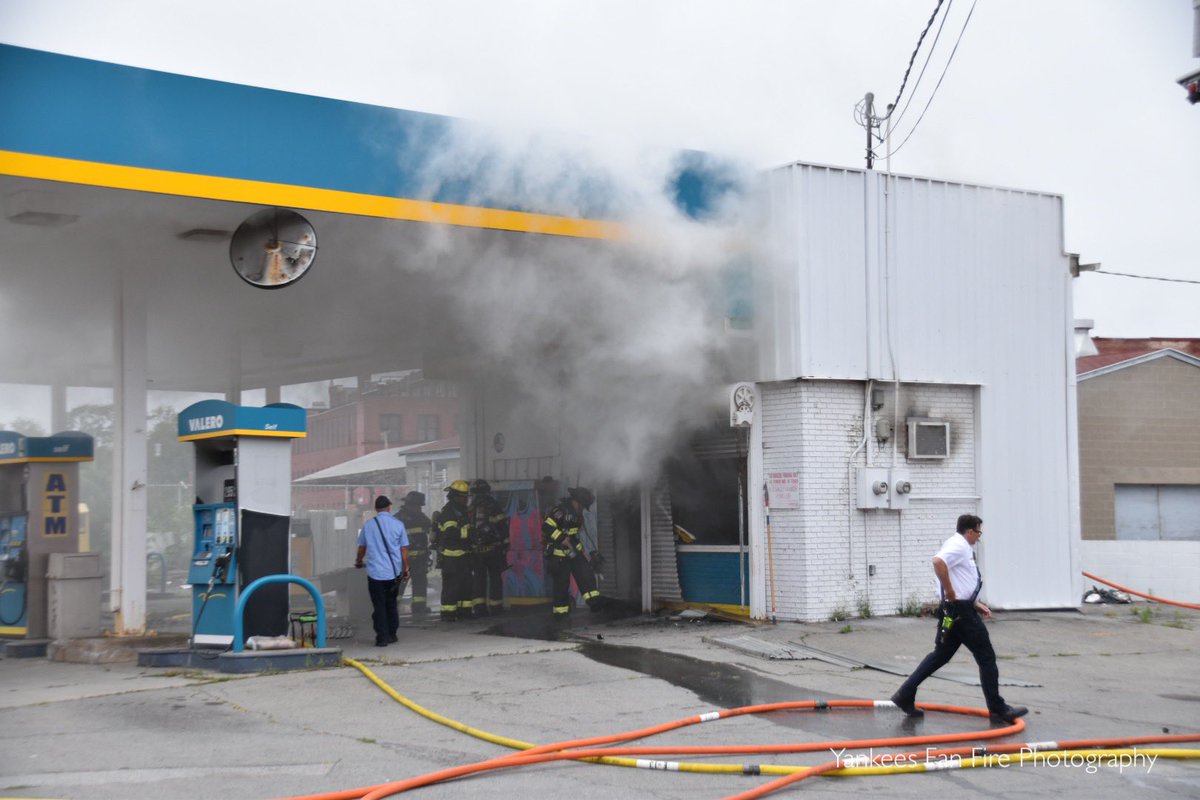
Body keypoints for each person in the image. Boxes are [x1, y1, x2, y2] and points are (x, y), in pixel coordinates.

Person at [891, 514, 1028, 723]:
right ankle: (998, 708)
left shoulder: (958, 545)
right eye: (978, 532)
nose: (979, 537)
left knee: (941, 654)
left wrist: (974, 602)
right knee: (986, 658)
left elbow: (960, 577)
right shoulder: (959, 545)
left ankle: (905, 694)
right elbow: (938, 562)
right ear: (970, 531)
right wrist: (951, 592)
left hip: (954, 612)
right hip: (961, 614)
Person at [542, 486, 606, 621]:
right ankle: (561, 614)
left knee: (586, 574)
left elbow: (573, 535)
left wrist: (581, 549)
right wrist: (560, 538)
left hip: (572, 552)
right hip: (558, 556)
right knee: (561, 585)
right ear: (577, 502)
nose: (583, 509)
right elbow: (546, 527)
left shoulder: (577, 515)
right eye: (582, 506)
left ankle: (595, 604)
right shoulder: (560, 511)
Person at [355, 495, 409, 647]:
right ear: (389, 508)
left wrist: (359, 561)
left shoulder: (369, 525)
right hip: (393, 573)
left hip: (375, 574)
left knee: (379, 605)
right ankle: (392, 634)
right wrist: (406, 568)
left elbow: (362, 548)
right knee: (391, 604)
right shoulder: (398, 525)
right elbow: (404, 549)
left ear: (376, 509)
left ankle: (382, 637)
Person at [469, 479, 510, 617]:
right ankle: (496, 607)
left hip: (476, 550)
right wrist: (505, 543)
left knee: (478, 579)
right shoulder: (493, 504)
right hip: (493, 549)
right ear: (487, 490)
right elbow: (502, 524)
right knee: (495, 578)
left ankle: (479, 608)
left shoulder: (470, 506)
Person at [433, 480, 473, 621]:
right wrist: (470, 534)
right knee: (452, 587)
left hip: (463, 556)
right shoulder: (449, 512)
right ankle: (448, 615)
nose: (466, 499)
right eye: (463, 497)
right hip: (451, 557)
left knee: (465, 585)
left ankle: (465, 613)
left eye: (466, 497)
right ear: (455, 496)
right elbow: (450, 533)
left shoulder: (461, 511)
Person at [395, 491, 433, 616]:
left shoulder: (421, 517)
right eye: (418, 506)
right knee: (399, 585)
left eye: (420, 507)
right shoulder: (397, 519)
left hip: (420, 559)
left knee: (420, 584)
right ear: (410, 505)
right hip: (403, 560)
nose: (419, 509)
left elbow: (431, 527)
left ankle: (419, 607)